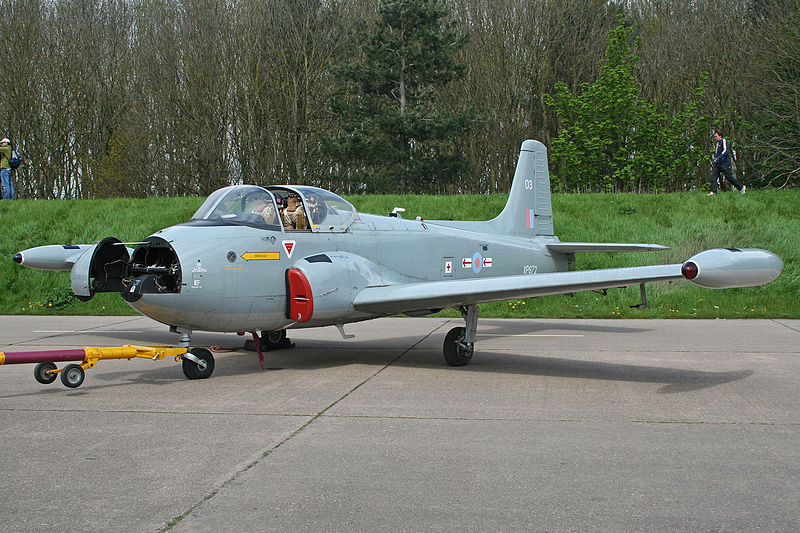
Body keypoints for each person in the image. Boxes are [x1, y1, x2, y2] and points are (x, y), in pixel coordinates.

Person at [708, 130, 745, 196]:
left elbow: (725, 151)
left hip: (724, 163)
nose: (715, 138)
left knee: (729, 177)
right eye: (715, 136)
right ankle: (713, 191)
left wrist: (719, 158)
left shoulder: (724, 141)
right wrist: (716, 159)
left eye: (716, 136)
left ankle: (741, 187)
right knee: (713, 176)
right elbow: (717, 153)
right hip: (718, 163)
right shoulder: (717, 143)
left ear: (720, 136)